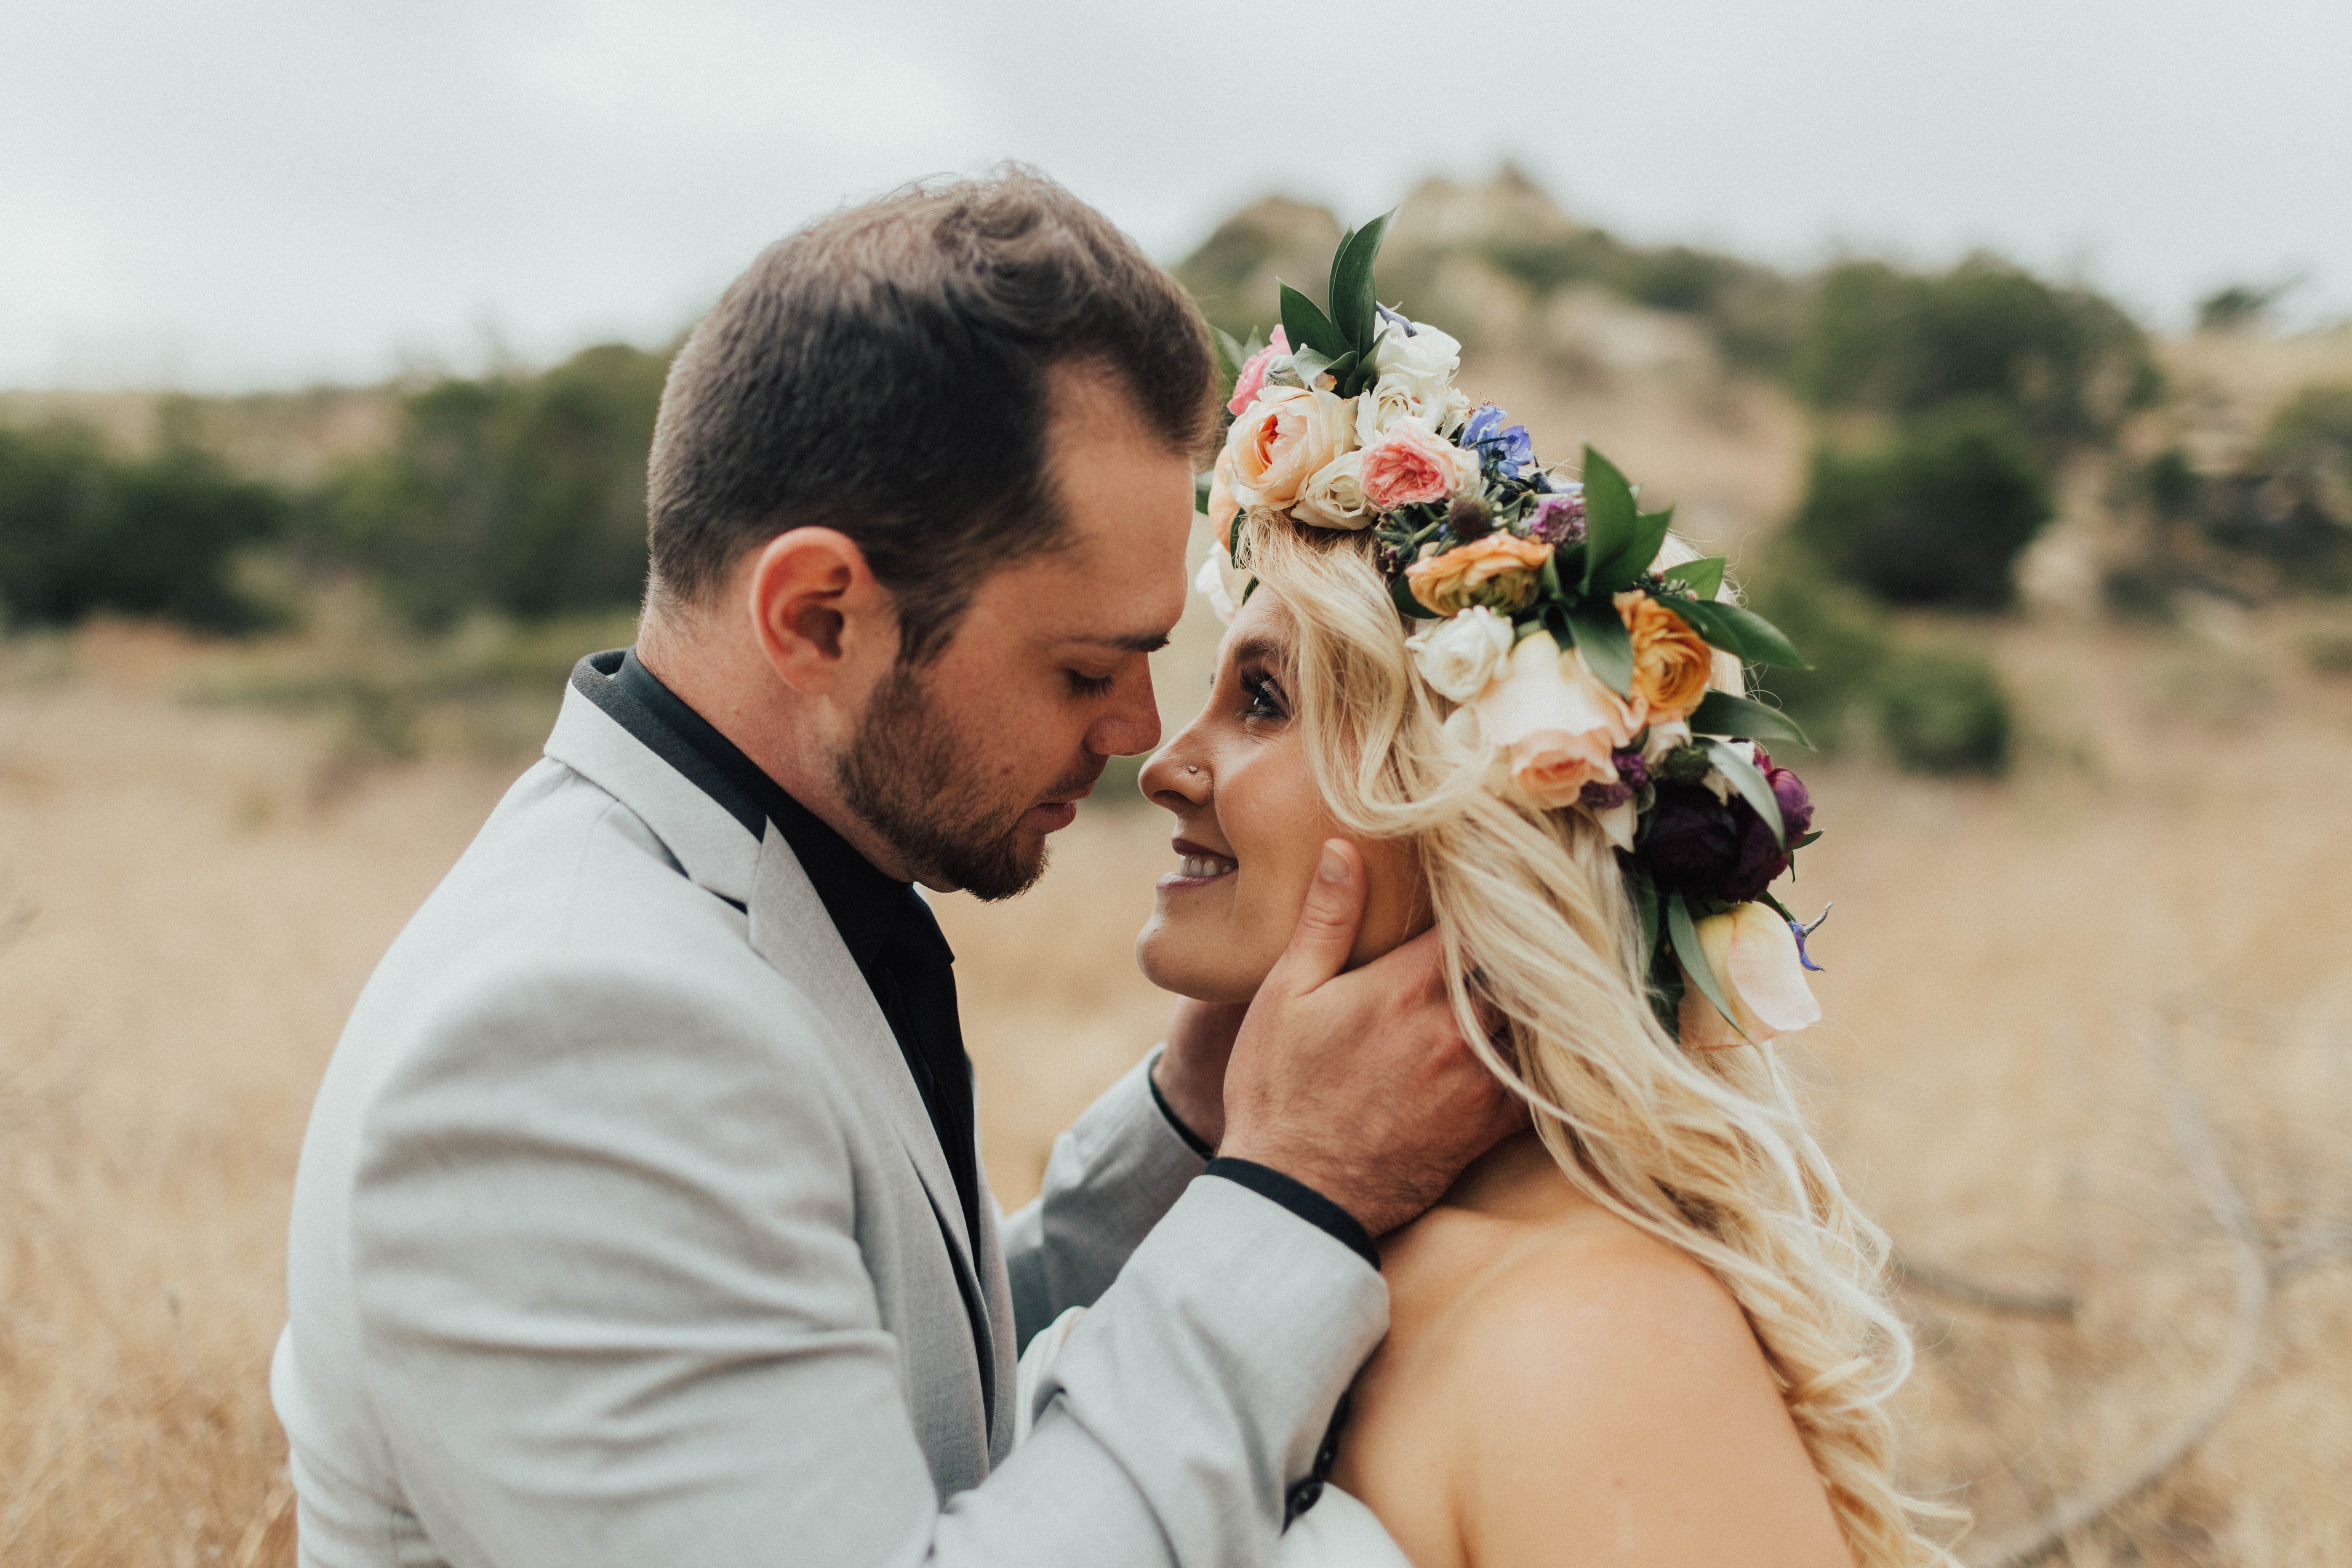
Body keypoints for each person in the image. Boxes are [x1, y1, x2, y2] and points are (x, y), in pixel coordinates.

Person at [269, 170, 1521, 1568]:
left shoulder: (726, 890)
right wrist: (1300, 1196)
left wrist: (1194, 1120)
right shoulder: (567, 1040)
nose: (1133, 738)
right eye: (1084, 669)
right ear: (820, 617)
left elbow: (902, 1397)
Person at [1019, 238, 1956, 1566]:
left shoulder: (1605, 1342)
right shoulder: (1284, 1245)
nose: (1164, 764)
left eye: (1264, 701)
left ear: (1462, 800)